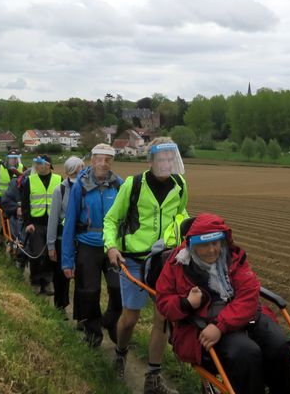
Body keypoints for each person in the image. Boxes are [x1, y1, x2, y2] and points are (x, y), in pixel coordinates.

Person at [156, 213, 290, 394]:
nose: (212, 250)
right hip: (203, 324)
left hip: (240, 317)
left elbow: (248, 294)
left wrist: (220, 325)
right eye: (204, 245)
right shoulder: (177, 264)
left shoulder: (233, 257)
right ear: (192, 245)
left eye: (215, 243)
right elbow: (163, 301)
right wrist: (186, 303)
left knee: (280, 347)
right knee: (246, 354)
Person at [104, 137, 188, 393]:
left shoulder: (180, 184)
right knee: (129, 318)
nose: (165, 163)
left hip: (164, 261)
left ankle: (153, 377)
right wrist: (111, 247)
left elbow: (182, 215)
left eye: (169, 158)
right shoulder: (134, 185)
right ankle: (121, 353)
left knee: (162, 319)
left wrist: (182, 240)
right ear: (151, 160)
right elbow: (111, 219)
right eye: (160, 158)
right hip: (134, 260)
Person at [62, 145, 122, 347]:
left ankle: (111, 321)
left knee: (118, 289)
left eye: (108, 160)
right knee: (89, 291)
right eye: (99, 159)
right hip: (88, 244)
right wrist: (67, 260)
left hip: (112, 246)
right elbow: (70, 223)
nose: (103, 164)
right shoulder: (81, 186)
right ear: (92, 160)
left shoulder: (118, 184)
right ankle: (93, 332)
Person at [46, 156, 85, 314]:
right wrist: (51, 245)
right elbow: (53, 219)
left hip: (82, 239)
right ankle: (60, 307)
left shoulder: (87, 189)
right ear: (72, 171)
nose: (82, 172)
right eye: (79, 170)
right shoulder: (59, 190)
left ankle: (82, 314)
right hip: (63, 240)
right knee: (61, 276)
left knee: (82, 279)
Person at [20, 155, 62, 295]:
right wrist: (28, 223)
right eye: (36, 164)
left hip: (53, 223)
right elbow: (25, 204)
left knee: (52, 254)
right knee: (37, 254)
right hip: (36, 224)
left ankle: (47, 282)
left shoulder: (59, 180)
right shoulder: (29, 181)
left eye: (40, 163)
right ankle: (35, 281)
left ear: (48, 165)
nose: (37, 166)